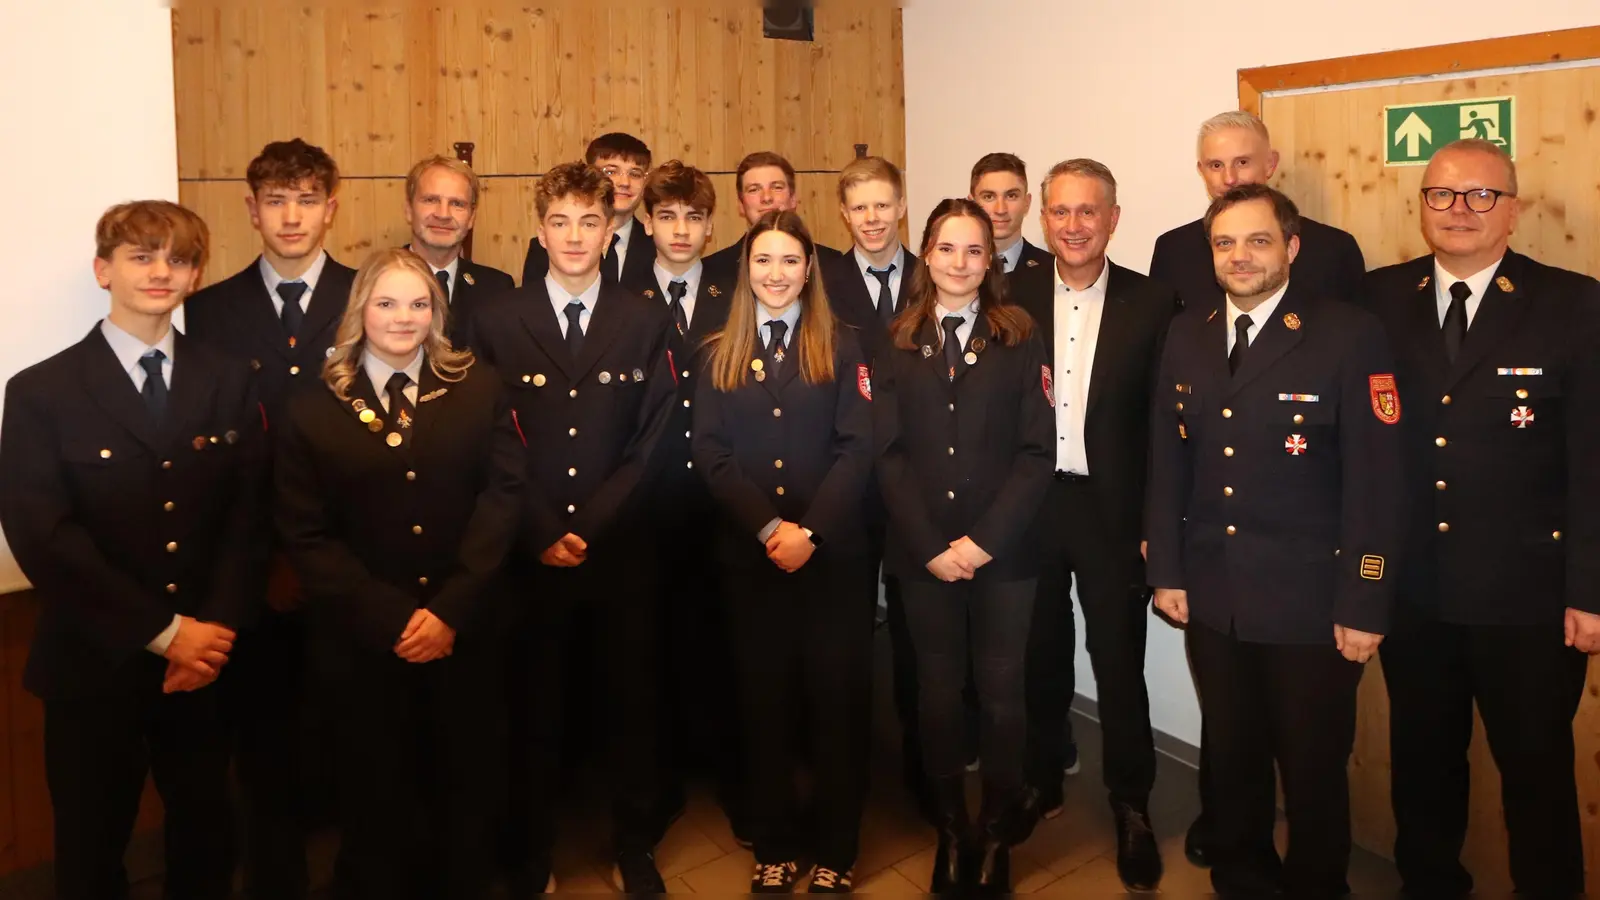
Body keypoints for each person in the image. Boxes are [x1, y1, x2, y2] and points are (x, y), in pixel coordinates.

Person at [0, 200, 266, 900]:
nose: (161, 271)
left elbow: (246, 517)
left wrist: (210, 636)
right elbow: (43, 535)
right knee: (92, 845)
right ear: (103, 269)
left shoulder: (228, 377)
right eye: (142, 256)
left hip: (208, 660)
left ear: (196, 274)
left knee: (207, 836)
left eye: (177, 259)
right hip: (96, 662)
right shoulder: (40, 391)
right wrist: (165, 633)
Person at [1146, 184, 1403, 897]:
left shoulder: (1348, 334)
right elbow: (1170, 461)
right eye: (1225, 243)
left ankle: (1319, 883)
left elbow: (1377, 482)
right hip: (1214, 588)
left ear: (1290, 248)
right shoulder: (1188, 333)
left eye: (1258, 240)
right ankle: (1241, 873)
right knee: (1231, 750)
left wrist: (1366, 600)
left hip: (1313, 601)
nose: (1240, 256)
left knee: (1314, 760)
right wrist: (1166, 568)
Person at [1362, 138, 1600, 896]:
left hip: (1528, 599)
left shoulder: (1574, 302)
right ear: (1422, 206)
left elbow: (1595, 457)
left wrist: (1590, 587)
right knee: (1424, 767)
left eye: (1480, 196)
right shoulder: (1375, 300)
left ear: (1514, 209)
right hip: (1416, 594)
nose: (1458, 210)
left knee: (1537, 776)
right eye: (1442, 195)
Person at [273, 248, 523, 899]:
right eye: (387, 302)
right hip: (362, 640)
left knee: (466, 781)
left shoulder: (477, 387)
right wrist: (393, 618)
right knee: (373, 788)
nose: (403, 318)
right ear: (360, 311)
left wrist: (449, 611)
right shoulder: (313, 404)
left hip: (462, 629)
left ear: (436, 313)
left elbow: (502, 499)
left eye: (418, 304)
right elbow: (306, 534)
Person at [468, 161, 677, 895]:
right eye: (560, 221)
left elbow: (653, 438)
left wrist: (588, 524)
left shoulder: (646, 318)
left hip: (619, 547)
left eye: (590, 221)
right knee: (534, 709)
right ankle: (533, 856)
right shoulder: (496, 319)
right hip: (529, 551)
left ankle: (633, 846)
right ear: (539, 229)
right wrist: (539, 528)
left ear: (611, 227)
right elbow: (490, 437)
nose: (575, 236)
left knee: (631, 704)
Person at [184, 136, 356, 899]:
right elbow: (214, 457)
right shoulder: (208, 311)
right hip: (250, 572)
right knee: (261, 746)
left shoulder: (372, 295)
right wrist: (268, 561)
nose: (292, 216)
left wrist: (323, 559)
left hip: (354, 563)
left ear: (332, 207)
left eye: (307, 199)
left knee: (361, 740)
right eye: (276, 200)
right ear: (251, 210)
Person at [692, 210, 875, 893]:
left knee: (836, 704)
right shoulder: (718, 351)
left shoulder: (846, 345)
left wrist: (810, 532)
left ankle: (837, 847)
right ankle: (773, 841)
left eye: (789, 261)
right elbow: (708, 452)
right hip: (751, 559)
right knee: (762, 705)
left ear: (808, 270)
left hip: (833, 560)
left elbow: (859, 448)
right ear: (746, 270)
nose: (775, 273)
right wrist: (770, 530)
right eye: (763, 261)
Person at [875, 198, 1052, 893]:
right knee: (939, 695)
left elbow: (1038, 452)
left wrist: (980, 543)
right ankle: (953, 831)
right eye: (947, 249)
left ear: (992, 260)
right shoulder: (895, 338)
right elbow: (886, 454)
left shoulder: (1019, 334)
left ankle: (997, 833)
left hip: (1004, 552)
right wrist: (932, 546)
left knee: (1005, 697)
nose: (960, 263)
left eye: (974, 251)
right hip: (923, 556)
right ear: (926, 255)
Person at [1009, 159, 1176, 889]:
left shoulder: (1154, 302)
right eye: (1060, 212)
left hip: (1113, 514)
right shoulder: (1008, 296)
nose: (1073, 225)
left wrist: (1156, 524)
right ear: (1043, 220)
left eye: (1088, 211)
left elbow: (1169, 426)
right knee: (1038, 654)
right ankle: (1042, 777)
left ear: (1112, 218)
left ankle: (1131, 804)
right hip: (1030, 507)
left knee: (1118, 663)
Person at [818, 156, 938, 818]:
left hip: (921, 485)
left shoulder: (935, 271)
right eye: (858, 207)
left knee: (920, 640)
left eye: (882, 205)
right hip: (848, 489)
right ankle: (850, 771)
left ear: (901, 207)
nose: (871, 219)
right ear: (844, 214)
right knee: (846, 638)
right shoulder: (822, 280)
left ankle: (925, 768)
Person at [636, 160, 745, 840]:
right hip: (645, 502)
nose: (680, 230)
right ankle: (659, 784)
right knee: (651, 647)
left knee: (726, 641)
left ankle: (731, 775)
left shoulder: (738, 293)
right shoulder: (618, 294)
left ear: (711, 226)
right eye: (667, 216)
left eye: (694, 218)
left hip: (721, 498)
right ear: (646, 222)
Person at [1150, 110, 1365, 312]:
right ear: (1201, 171)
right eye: (1216, 165)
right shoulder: (1173, 250)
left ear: (1270, 164)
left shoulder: (1334, 249)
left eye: (1242, 162)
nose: (1229, 179)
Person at [400, 154, 514, 350]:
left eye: (457, 204)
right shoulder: (373, 282)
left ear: (471, 218)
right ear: (409, 210)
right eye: (430, 200)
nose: (443, 214)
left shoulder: (498, 289)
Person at [520, 132, 657, 291]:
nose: (624, 182)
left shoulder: (658, 247)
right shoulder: (545, 248)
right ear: (591, 175)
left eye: (635, 174)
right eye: (611, 172)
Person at [704, 151, 845, 277]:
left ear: (793, 199)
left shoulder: (832, 265)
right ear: (741, 205)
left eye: (777, 187)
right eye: (754, 189)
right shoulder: (714, 270)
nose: (766, 198)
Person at [968, 153, 1052, 275]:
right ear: (972, 204)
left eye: (1011, 196)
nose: (1000, 210)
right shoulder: (952, 271)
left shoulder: (1053, 271)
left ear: (1027, 203)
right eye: (989, 197)